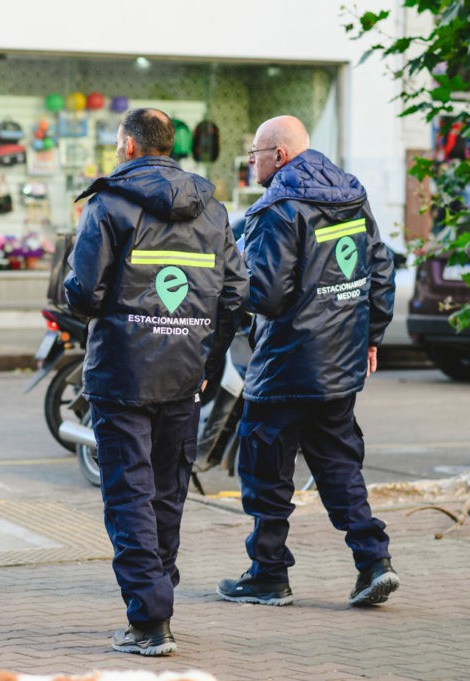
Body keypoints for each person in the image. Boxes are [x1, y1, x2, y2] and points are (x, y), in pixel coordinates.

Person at [64, 108, 248, 656]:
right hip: (186, 372)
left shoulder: (109, 203)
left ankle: (149, 620)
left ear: (127, 145)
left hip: (122, 371)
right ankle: (157, 599)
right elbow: (236, 293)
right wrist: (205, 351)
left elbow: (83, 291)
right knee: (167, 493)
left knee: (129, 496)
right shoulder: (211, 208)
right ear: (170, 145)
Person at [216, 115, 398, 609]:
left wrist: (231, 284)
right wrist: (371, 335)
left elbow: (269, 295)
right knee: (339, 466)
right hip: (340, 362)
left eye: (254, 151)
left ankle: (268, 574)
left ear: (279, 155)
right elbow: (379, 269)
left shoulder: (277, 206)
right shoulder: (351, 194)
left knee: (265, 471)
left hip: (285, 365)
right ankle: (374, 563)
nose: (250, 160)